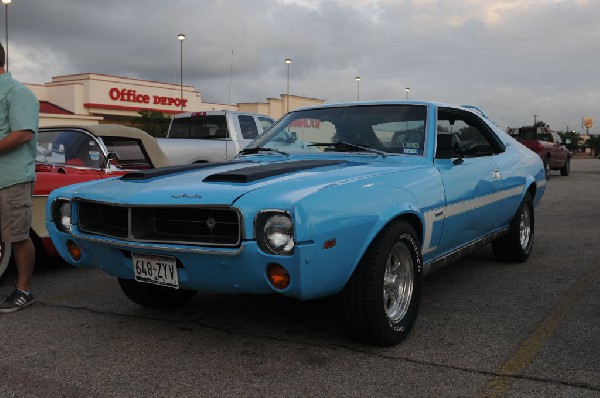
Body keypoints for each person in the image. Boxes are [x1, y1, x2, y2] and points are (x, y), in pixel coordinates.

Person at [0, 42, 40, 313]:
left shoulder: (18, 92)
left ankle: (24, 290)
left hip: (11, 179)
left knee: (17, 236)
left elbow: (23, 133)